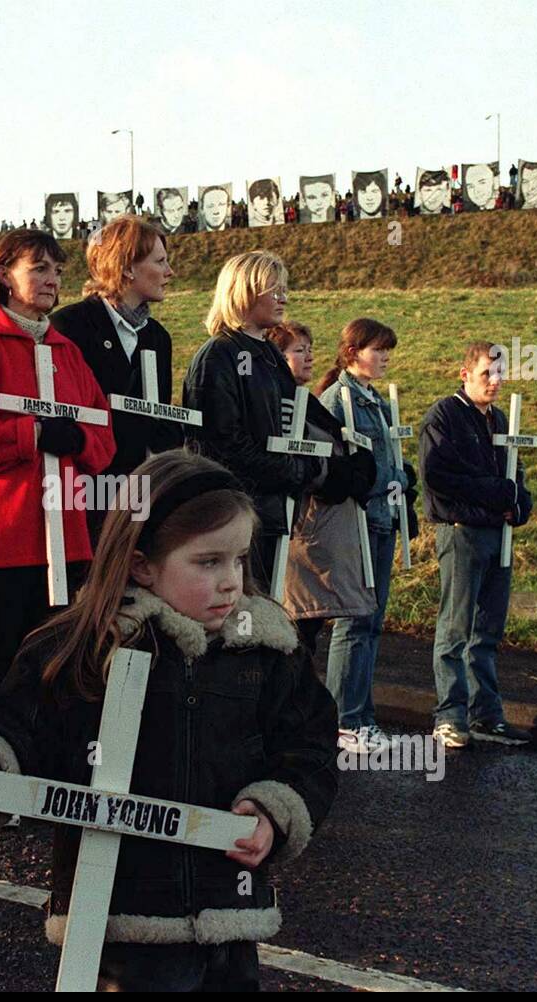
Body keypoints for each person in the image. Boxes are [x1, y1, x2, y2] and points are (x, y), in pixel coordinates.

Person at [0, 449, 338, 992]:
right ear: (142, 565)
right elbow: (11, 718)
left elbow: (309, 747)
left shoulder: (268, 652)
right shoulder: (87, 646)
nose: (231, 582)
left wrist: (273, 809)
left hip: (230, 921)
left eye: (239, 560)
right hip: (121, 928)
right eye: (208, 562)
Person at [0, 230, 115, 697]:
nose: (53, 279)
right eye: (39, 268)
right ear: (4, 274)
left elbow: (103, 436)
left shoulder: (66, 351)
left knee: (56, 683)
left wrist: (77, 438)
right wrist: (31, 433)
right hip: (0, 544)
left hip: (64, 540)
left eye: (58, 270)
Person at [183, 252, 355, 593]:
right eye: (274, 290)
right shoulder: (219, 355)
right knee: (235, 611)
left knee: (266, 609)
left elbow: (293, 423)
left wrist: (318, 465)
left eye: (284, 289)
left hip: (273, 511)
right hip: (232, 514)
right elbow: (221, 446)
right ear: (244, 291)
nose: (283, 298)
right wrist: (295, 471)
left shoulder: (271, 356)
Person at [419, 342, 532, 749]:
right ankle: (449, 717)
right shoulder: (444, 416)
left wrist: (520, 505)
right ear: (465, 374)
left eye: (500, 373)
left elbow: (515, 475)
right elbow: (438, 477)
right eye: (487, 373)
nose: (496, 381)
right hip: (462, 533)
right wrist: (497, 495)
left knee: (487, 630)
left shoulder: (499, 419)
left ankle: (486, 715)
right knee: (455, 628)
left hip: (498, 535)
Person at [314, 319, 415, 752]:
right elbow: (334, 467)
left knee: (371, 621)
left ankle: (363, 716)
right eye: (379, 349)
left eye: (388, 350)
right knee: (354, 620)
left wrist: (403, 479)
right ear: (353, 352)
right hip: (356, 522)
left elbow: (391, 460)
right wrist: (379, 482)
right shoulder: (336, 401)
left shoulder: (379, 402)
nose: (386, 357)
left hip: (382, 520)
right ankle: (345, 720)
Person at [50, 216, 182, 545]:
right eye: (160, 262)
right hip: (81, 492)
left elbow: (156, 416)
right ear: (127, 268)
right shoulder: (70, 327)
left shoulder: (158, 338)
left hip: (136, 493)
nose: (170, 272)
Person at [266, 322, 375, 705]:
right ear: (276, 358)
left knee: (305, 638)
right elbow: (295, 461)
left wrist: (358, 467)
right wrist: (340, 474)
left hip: (324, 535)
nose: (309, 356)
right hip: (303, 536)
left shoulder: (306, 401)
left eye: (310, 348)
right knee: (293, 637)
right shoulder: (280, 403)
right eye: (298, 350)